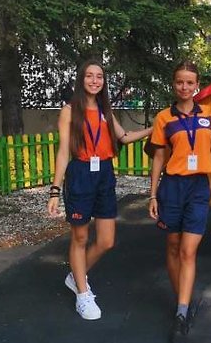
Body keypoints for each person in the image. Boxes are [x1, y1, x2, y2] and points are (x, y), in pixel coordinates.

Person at [46, 59, 152, 320]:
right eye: (89, 76)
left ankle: (76, 276)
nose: (95, 81)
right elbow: (63, 152)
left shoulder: (106, 110)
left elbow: (124, 137)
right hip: (80, 174)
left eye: (99, 77)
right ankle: (83, 294)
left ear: (104, 82)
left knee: (106, 240)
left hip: (104, 174)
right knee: (80, 238)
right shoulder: (70, 110)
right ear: (81, 79)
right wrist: (54, 191)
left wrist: (154, 127)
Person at [147, 61, 211, 343]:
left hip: (198, 187)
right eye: (180, 82)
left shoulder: (208, 113)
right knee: (173, 246)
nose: (184, 87)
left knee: (187, 250)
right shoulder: (164, 118)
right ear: (174, 84)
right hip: (172, 187)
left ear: (197, 86)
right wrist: (152, 194)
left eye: (190, 82)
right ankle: (182, 300)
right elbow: (159, 158)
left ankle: (181, 313)